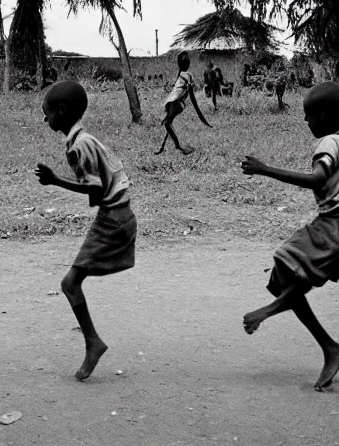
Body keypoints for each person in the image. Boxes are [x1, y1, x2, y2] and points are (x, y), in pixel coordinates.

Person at [239, 81, 339, 391]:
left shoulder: (330, 143)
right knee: (283, 274)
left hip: (336, 224)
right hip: (336, 221)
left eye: (308, 116)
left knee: (291, 270)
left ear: (322, 114)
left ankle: (264, 313)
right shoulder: (338, 141)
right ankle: (330, 348)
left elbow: (317, 178)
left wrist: (266, 169)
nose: (306, 122)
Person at [35, 81, 137, 380]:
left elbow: (94, 193)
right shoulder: (84, 139)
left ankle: (93, 342)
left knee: (70, 283)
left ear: (61, 111)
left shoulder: (80, 146)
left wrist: (55, 181)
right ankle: (92, 341)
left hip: (113, 219)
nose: (45, 119)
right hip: (117, 215)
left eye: (47, 112)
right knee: (72, 282)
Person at [156, 51, 211, 155]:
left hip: (176, 103)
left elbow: (189, 92)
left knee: (167, 123)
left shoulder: (186, 75)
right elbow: (181, 91)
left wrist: (198, 111)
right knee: (167, 123)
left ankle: (178, 146)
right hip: (174, 103)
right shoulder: (183, 75)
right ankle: (170, 147)